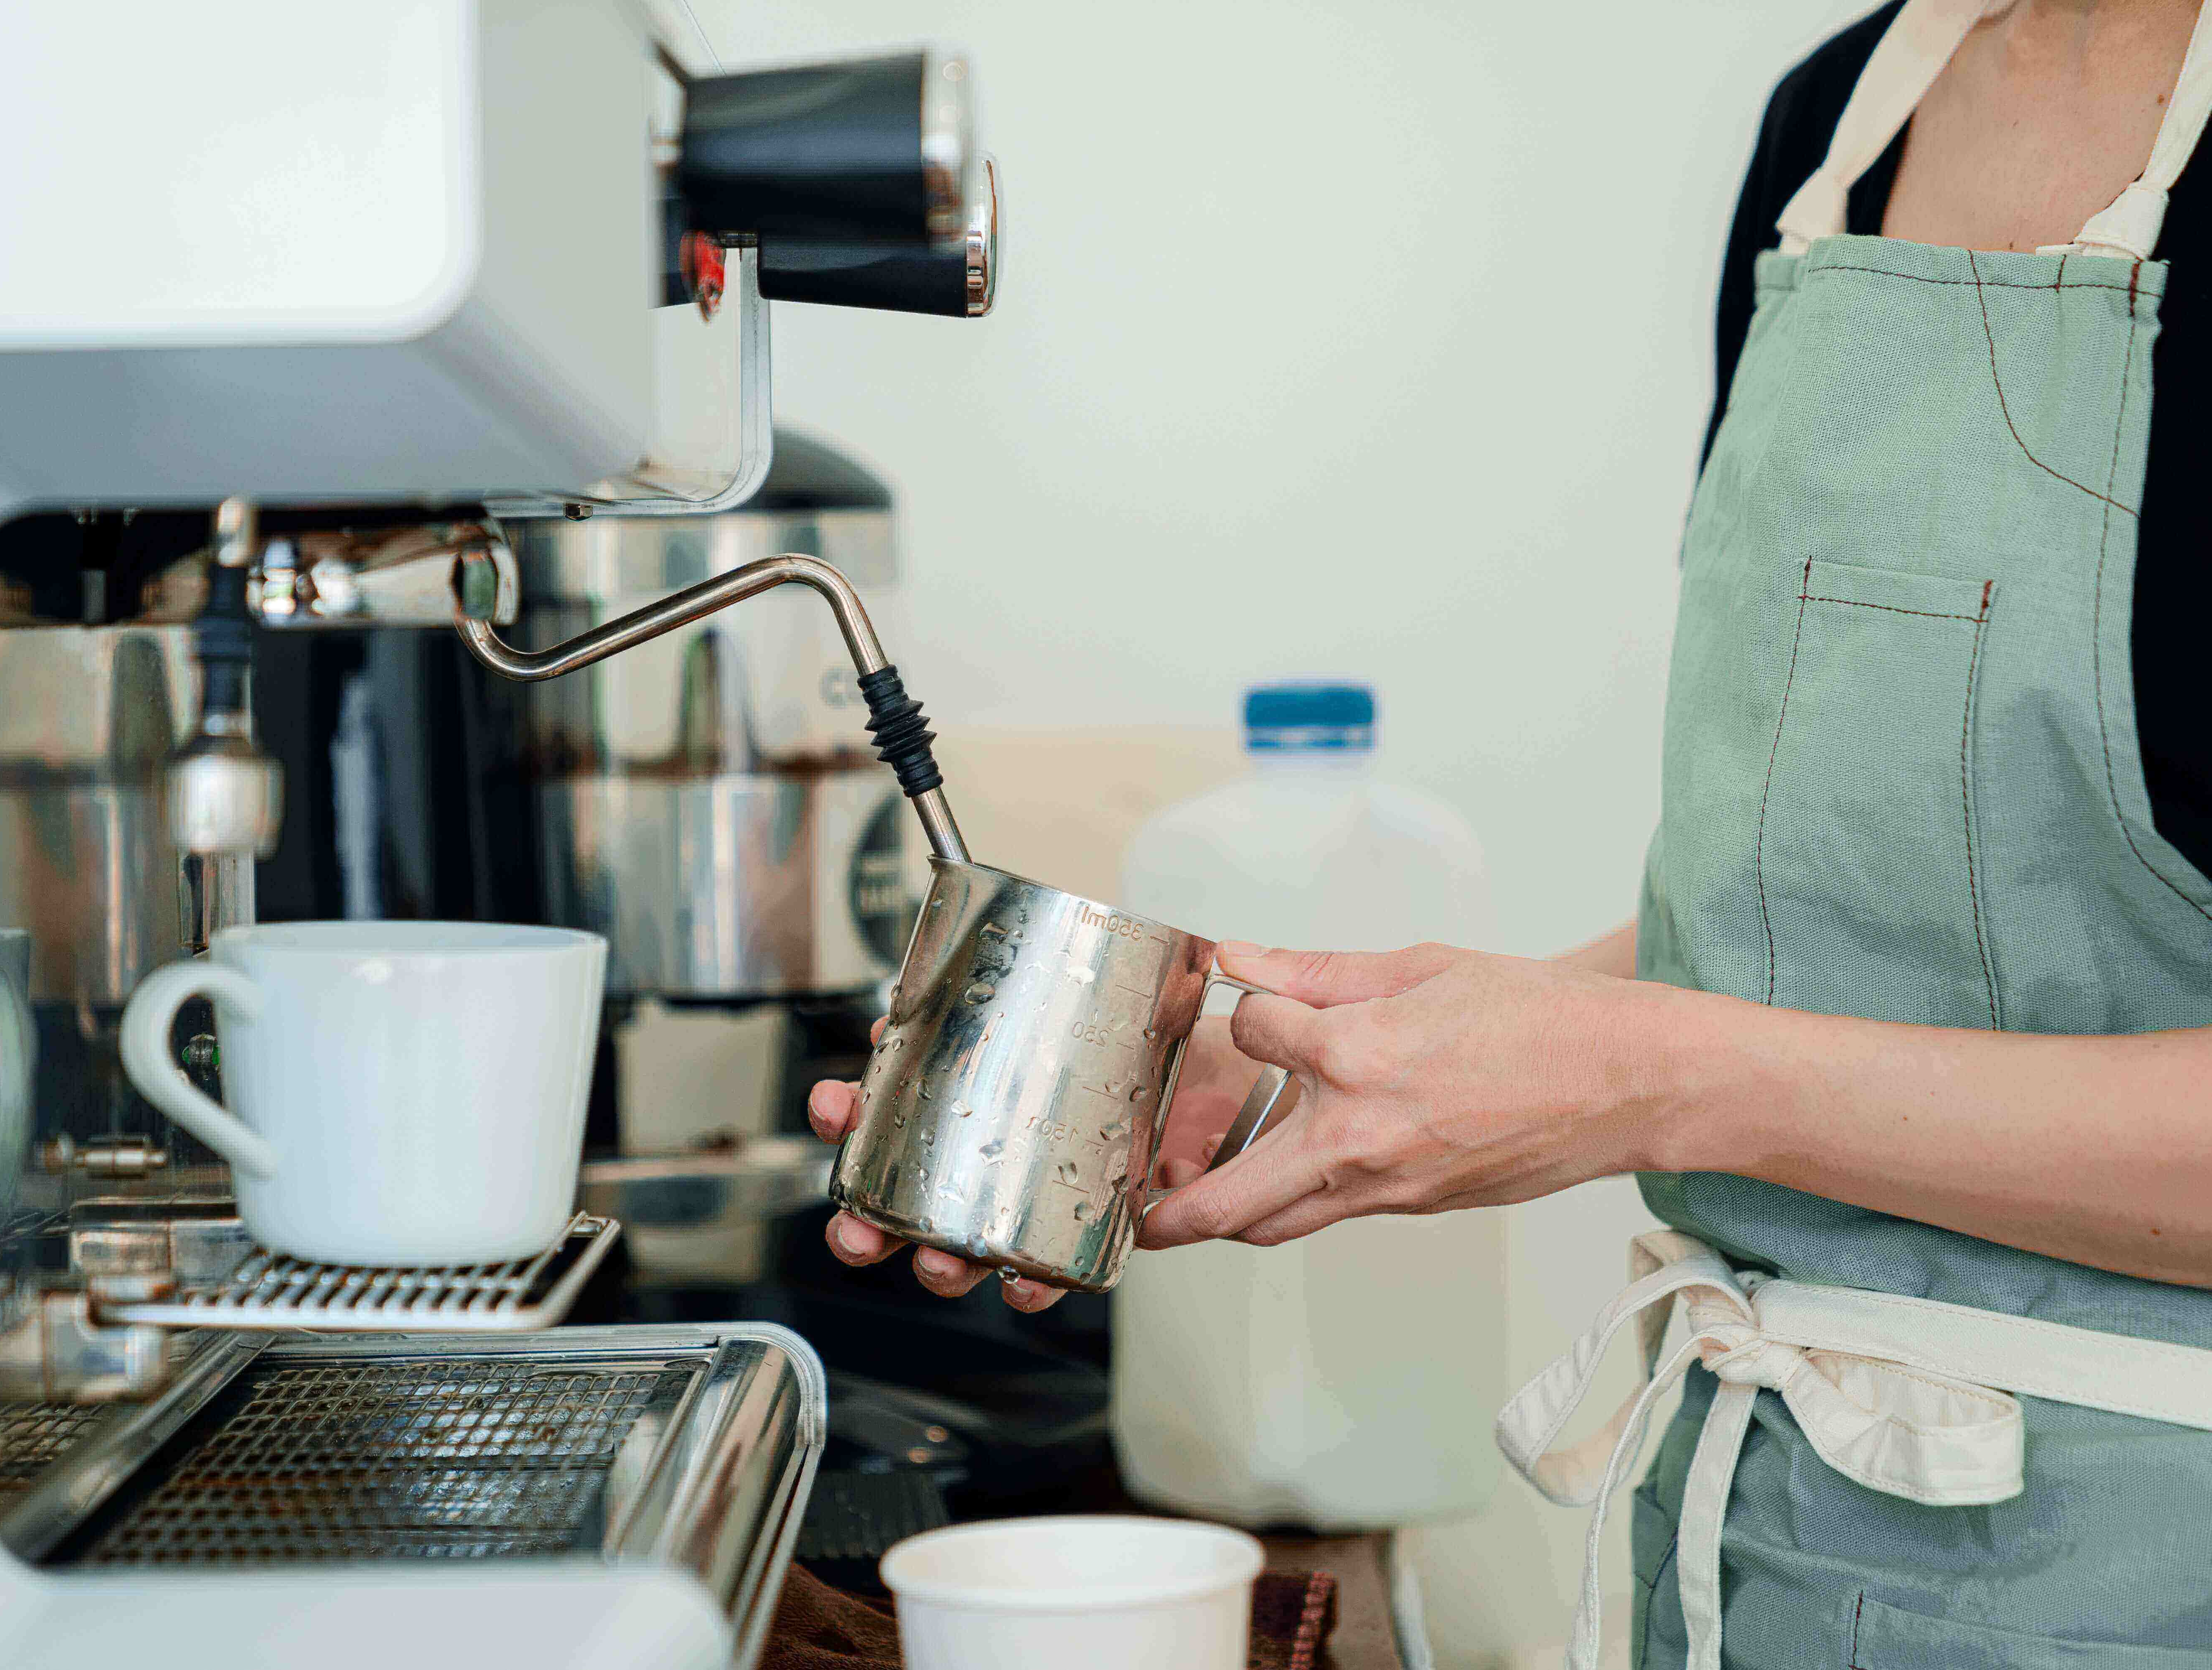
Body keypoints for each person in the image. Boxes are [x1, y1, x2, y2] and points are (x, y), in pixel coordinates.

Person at [806, 0, 2212, 1662]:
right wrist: (1315, 1058)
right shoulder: (1834, 134)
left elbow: (1721, 1045)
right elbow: (1849, 920)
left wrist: (1648, 1076)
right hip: (1758, 1548)